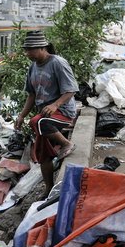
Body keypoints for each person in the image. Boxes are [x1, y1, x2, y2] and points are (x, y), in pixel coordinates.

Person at [14, 31, 79, 194]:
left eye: (30, 49)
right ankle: (49, 187)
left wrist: (56, 105)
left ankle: (66, 143)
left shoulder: (58, 63)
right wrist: (21, 116)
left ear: (42, 48)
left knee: (37, 121)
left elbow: (71, 89)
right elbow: (32, 94)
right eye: (26, 50)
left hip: (63, 112)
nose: (27, 53)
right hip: (45, 116)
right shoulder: (32, 67)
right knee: (43, 155)